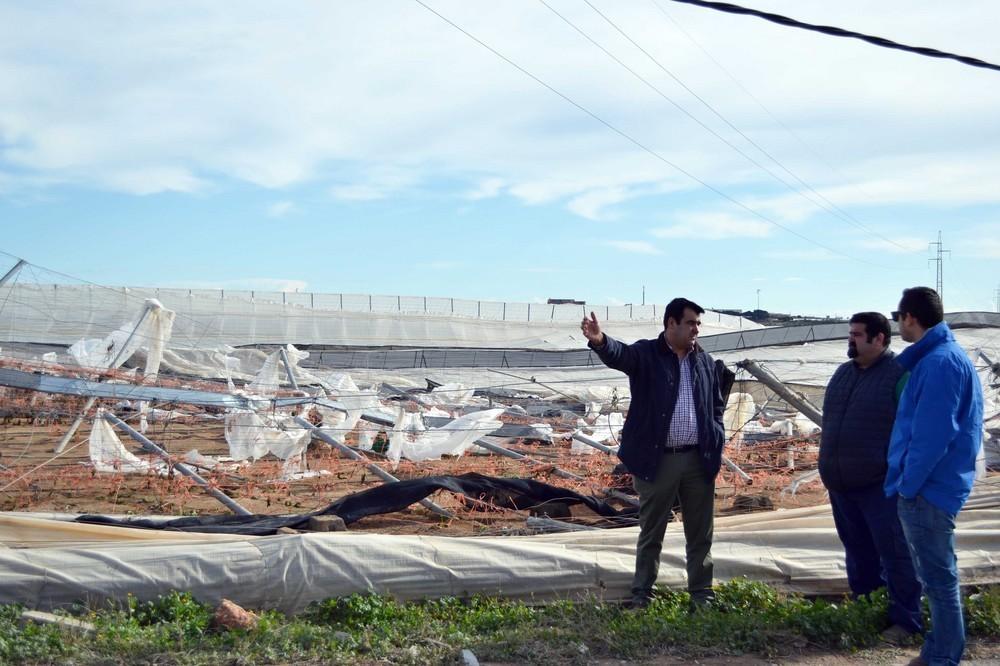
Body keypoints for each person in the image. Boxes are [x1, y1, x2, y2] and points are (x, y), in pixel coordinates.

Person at [581, 297, 726, 610]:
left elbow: (716, 405)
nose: (696, 329)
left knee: (700, 533)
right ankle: (643, 594)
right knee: (652, 531)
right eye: (690, 323)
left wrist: (716, 437)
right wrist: (600, 340)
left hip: (698, 460)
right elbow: (621, 355)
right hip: (658, 460)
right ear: (671, 323)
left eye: (698, 324)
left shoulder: (703, 361)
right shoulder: (647, 354)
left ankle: (702, 595)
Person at [885, 287, 984, 666]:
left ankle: (942, 657)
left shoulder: (940, 363)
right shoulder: (942, 358)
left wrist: (908, 486)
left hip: (929, 490)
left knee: (938, 581)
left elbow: (932, 436)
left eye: (898, 317)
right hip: (934, 487)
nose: (898, 324)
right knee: (938, 578)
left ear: (910, 317)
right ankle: (938, 651)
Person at [819, 312, 922, 641]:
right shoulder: (843, 373)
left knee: (895, 553)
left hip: (881, 485)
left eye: (858, 334)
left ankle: (906, 621)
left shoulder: (899, 375)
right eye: (850, 333)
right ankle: (867, 611)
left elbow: (914, 430)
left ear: (879, 338)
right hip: (842, 485)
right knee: (858, 552)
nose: (851, 339)